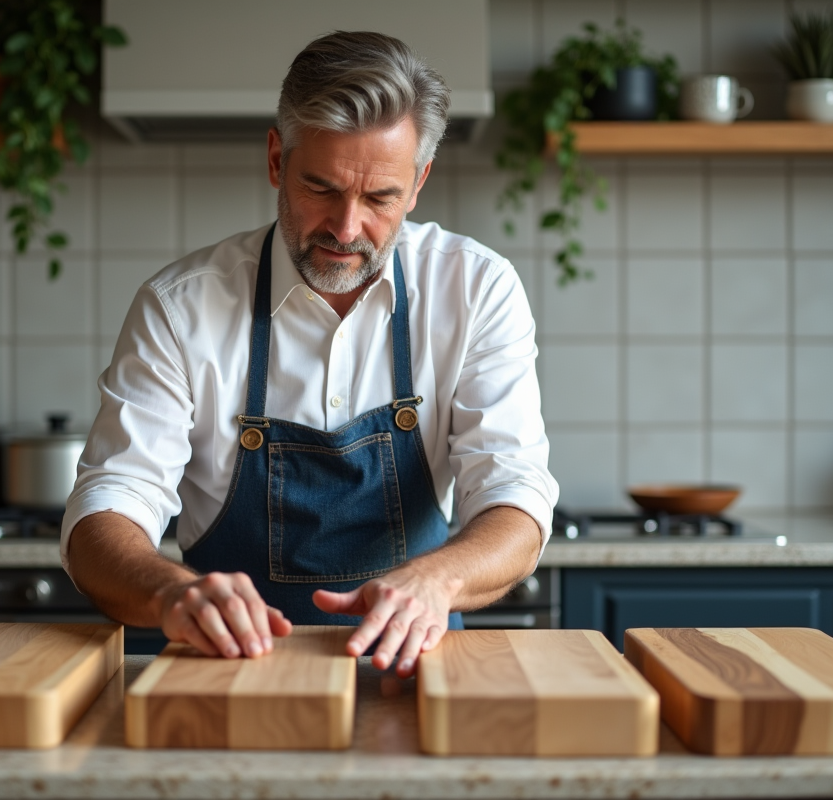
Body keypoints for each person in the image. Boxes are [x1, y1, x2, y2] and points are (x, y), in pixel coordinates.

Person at [62, 31, 558, 679]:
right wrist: (168, 590)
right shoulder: (179, 307)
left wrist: (440, 579)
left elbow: (515, 494)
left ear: (418, 184)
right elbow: (107, 505)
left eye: (380, 198)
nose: (346, 229)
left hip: (419, 674)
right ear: (276, 159)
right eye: (320, 188)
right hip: (226, 674)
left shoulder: (473, 289)